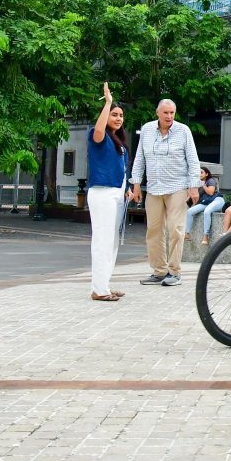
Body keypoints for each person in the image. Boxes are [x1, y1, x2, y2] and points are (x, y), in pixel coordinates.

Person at [131, 99, 200, 287]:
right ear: (157, 113)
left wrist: (193, 186)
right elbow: (139, 158)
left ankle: (174, 271)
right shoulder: (146, 130)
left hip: (178, 187)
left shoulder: (183, 131)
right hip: (153, 188)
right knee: (153, 230)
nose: (169, 116)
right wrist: (136, 184)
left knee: (176, 230)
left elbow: (193, 160)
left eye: (172, 113)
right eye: (166, 113)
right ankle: (159, 271)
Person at [86, 83, 130, 302]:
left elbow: (123, 170)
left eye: (121, 115)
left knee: (112, 241)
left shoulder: (119, 143)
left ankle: (104, 284)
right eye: (115, 114)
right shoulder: (97, 137)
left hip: (117, 195)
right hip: (102, 193)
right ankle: (99, 289)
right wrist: (108, 103)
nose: (118, 118)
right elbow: (99, 131)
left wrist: (128, 190)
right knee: (102, 241)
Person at [185, 167, 225, 246]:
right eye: (198, 172)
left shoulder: (210, 181)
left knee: (207, 211)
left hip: (217, 200)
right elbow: (192, 200)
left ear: (206, 174)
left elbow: (210, 193)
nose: (199, 174)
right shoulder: (197, 184)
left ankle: (205, 236)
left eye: (201, 172)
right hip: (206, 202)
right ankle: (187, 234)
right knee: (189, 212)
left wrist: (203, 185)